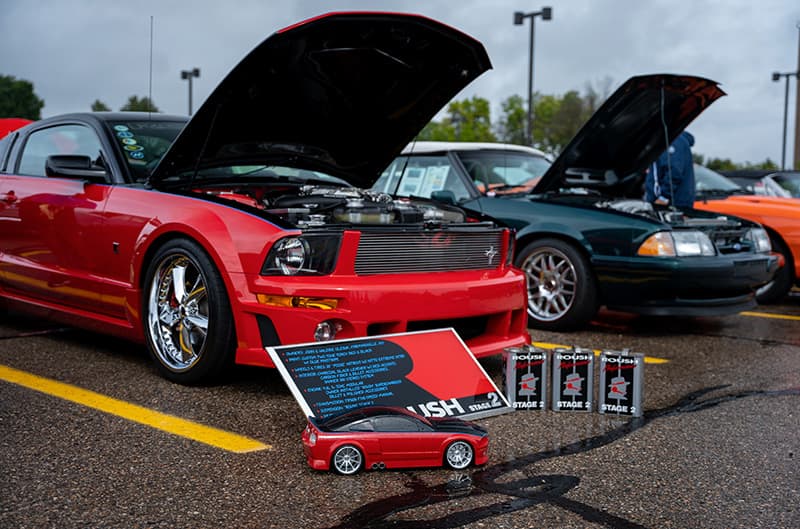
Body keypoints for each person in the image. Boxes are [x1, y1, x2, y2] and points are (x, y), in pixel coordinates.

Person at [645, 130, 695, 208]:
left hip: (671, 204)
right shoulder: (675, 140)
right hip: (672, 202)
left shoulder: (672, 140)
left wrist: (663, 197)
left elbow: (674, 171)